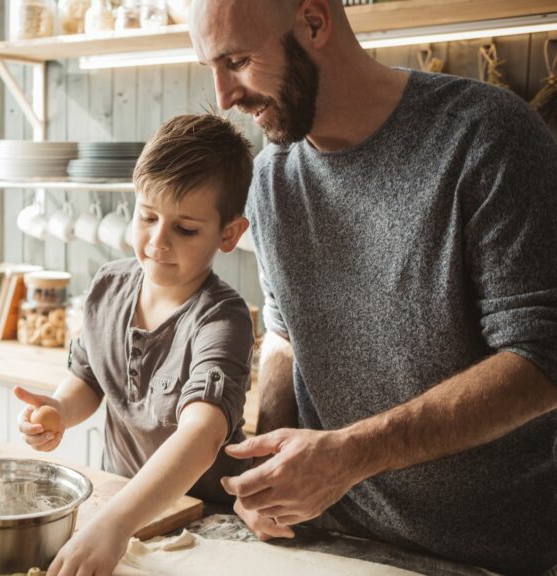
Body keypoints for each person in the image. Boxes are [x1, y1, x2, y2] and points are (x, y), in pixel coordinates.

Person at [189, 1, 557, 574]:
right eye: (211, 68)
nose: (224, 97)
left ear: (314, 23)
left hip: (491, 552)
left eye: (237, 61)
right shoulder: (271, 179)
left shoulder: (486, 135)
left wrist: (353, 454)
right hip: (336, 541)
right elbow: (286, 336)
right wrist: (265, 479)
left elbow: (542, 357)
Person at [15, 113, 255, 576]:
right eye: (147, 217)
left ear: (229, 234)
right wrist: (59, 411)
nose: (158, 241)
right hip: (119, 504)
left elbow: (201, 435)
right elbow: (88, 378)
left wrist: (115, 524)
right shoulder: (108, 285)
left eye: (185, 229)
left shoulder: (222, 318)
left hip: (201, 527)